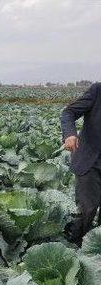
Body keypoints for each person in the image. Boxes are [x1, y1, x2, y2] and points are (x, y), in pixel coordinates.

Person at [61, 82, 101, 245]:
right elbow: (68, 112)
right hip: (91, 160)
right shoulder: (98, 91)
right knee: (87, 209)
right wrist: (70, 134)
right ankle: (75, 249)